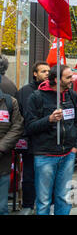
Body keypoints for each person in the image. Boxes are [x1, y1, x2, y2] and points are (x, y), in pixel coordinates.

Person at [24, 65, 77, 215]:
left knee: (63, 197)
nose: (72, 80)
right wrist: (49, 119)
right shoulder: (36, 97)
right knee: (43, 201)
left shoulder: (72, 96)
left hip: (67, 155)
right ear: (57, 79)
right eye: (68, 77)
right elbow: (29, 127)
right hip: (45, 156)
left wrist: (75, 147)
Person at [16, 61, 50, 215]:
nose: (47, 73)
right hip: (29, 141)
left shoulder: (52, 91)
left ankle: (44, 205)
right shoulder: (24, 91)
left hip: (46, 142)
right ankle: (28, 205)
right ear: (35, 74)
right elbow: (18, 116)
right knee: (28, 175)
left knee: (46, 176)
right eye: (43, 71)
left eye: (49, 71)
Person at [0, 84, 24, 215]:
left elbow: (17, 126)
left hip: (3, 162)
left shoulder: (10, 102)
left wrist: (1, 147)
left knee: (2, 207)